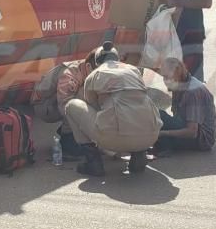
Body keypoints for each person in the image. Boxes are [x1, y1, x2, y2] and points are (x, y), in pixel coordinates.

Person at [64, 42, 163, 176]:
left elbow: (92, 106)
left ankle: (93, 162)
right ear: (117, 59)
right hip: (151, 136)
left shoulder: (95, 75)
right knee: (137, 108)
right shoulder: (134, 70)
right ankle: (139, 153)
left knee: (72, 105)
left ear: (97, 62)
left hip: (115, 139)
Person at [153, 58, 216, 156]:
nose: (166, 81)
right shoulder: (179, 82)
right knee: (154, 114)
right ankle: (164, 143)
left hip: (201, 140)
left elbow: (192, 132)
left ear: (177, 75)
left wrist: (163, 133)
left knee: (159, 116)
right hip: (187, 128)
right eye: (164, 77)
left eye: (168, 77)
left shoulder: (192, 92)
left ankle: (165, 146)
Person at [55, 48, 99, 159]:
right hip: (47, 106)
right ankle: (67, 136)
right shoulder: (70, 74)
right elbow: (65, 107)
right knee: (82, 95)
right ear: (89, 67)